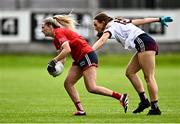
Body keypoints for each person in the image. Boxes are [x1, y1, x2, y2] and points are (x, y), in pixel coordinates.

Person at [41, 14, 128, 116]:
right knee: (68, 84)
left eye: (43, 27)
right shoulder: (56, 39)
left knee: (91, 87)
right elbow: (63, 57)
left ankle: (121, 97)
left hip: (87, 55)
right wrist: (56, 69)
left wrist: (54, 61)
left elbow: (67, 50)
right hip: (79, 59)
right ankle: (81, 110)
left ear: (50, 26)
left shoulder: (59, 32)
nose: (42, 30)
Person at [92, 12, 173, 115]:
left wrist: (89, 50)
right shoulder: (118, 20)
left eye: (96, 24)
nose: (95, 27)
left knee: (149, 77)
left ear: (103, 22)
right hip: (144, 43)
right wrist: (159, 19)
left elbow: (103, 39)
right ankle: (144, 101)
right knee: (130, 72)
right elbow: (141, 21)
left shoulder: (110, 26)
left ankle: (155, 108)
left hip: (144, 43)